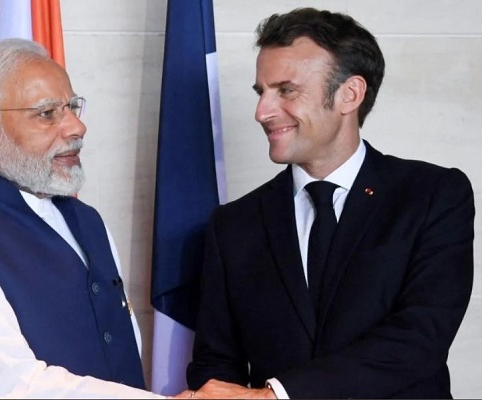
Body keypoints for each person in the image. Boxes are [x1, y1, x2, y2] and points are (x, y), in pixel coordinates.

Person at [185, 8, 474, 399]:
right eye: (261, 92)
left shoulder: (433, 196)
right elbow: (215, 364)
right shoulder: (233, 224)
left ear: (349, 94)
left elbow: (420, 338)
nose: (261, 112)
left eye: (286, 90)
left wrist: (277, 395)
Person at [0, 38, 164, 399]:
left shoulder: (88, 221)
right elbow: (10, 388)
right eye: (47, 113)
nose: (77, 127)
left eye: (72, 107)